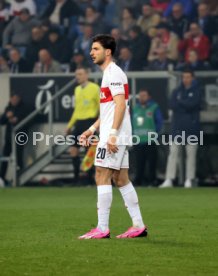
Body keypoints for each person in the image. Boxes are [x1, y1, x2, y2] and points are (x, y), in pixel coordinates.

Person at [78, 34, 147, 239]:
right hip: (115, 132)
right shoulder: (109, 73)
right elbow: (109, 110)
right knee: (120, 178)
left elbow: (120, 105)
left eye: (96, 49)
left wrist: (113, 135)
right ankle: (138, 226)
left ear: (108, 52)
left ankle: (102, 228)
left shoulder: (114, 73)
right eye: (91, 49)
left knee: (101, 173)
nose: (91, 52)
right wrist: (91, 129)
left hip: (114, 134)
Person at [160, 69, 201, 188]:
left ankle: (189, 178)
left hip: (191, 127)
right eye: (184, 77)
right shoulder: (176, 91)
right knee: (173, 153)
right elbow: (172, 104)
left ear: (193, 78)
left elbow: (193, 104)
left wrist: (181, 103)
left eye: (188, 77)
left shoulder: (197, 91)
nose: (186, 79)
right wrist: (185, 104)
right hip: (177, 126)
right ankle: (169, 178)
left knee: (191, 154)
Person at [66, 67, 100, 184]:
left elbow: (101, 106)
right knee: (73, 150)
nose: (78, 76)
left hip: (89, 122)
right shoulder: (77, 89)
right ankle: (76, 178)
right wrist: (70, 125)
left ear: (87, 75)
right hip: (79, 123)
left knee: (88, 151)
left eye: (80, 74)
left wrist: (100, 123)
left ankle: (89, 179)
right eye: (76, 74)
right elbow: (77, 109)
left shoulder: (95, 88)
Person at [132, 89, 163, 186]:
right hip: (138, 139)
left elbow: (159, 122)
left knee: (152, 162)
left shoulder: (154, 107)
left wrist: (154, 133)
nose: (142, 98)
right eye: (140, 96)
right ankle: (138, 181)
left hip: (150, 140)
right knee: (138, 162)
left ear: (149, 97)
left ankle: (152, 181)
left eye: (144, 95)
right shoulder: (135, 108)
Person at [0, 93, 29, 187]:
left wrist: (16, 119)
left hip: (20, 137)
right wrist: (6, 116)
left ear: (19, 99)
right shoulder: (8, 108)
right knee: (5, 157)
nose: (14, 101)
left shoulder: (24, 108)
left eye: (16, 99)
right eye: (12, 99)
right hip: (9, 138)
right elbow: (2, 121)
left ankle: (19, 178)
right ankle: (2, 178)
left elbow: (24, 120)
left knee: (19, 158)